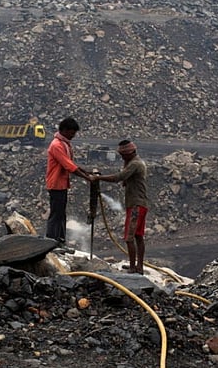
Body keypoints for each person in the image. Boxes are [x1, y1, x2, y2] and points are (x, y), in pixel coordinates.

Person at [92, 140, 149, 274]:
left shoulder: (135, 164)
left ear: (130, 153)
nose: (122, 158)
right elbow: (125, 177)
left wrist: (98, 178)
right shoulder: (135, 162)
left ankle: (133, 267)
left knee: (130, 237)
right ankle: (138, 266)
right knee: (138, 236)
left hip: (136, 205)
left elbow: (118, 177)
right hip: (140, 204)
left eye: (123, 155)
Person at [45, 117, 91, 246]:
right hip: (56, 184)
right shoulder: (57, 145)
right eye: (72, 133)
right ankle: (52, 241)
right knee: (56, 214)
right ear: (65, 130)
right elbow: (68, 165)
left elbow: (70, 163)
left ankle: (59, 240)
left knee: (60, 213)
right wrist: (86, 177)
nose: (73, 136)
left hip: (61, 184)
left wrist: (86, 172)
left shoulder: (63, 144)